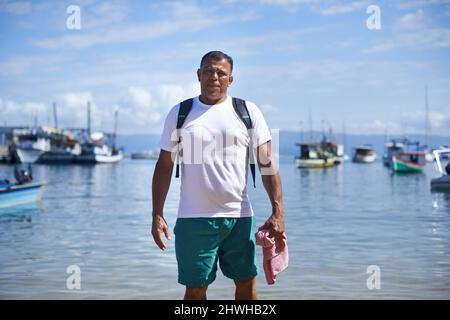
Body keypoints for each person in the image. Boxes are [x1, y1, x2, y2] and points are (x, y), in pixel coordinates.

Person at [151, 51, 285, 300]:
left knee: (246, 284)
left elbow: (267, 165)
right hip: (193, 219)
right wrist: (157, 214)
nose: (214, 77)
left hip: (239, 217)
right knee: (195, 289)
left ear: (230, 79)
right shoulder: (180, 113)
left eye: (221, 73)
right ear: (198, 74)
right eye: (208, 71)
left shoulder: (247, 111)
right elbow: (164, 167)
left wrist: (278, 211)